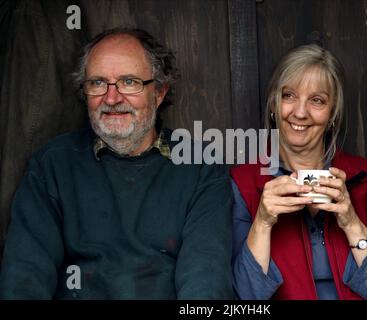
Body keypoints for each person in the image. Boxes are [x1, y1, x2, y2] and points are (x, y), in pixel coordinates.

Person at [0, 28, 233, 299]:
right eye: (98, 83)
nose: (111, 99)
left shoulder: (201, 167)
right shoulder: (52, 165)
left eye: (129, 82)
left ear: (158, 92)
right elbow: (25, 278)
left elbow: (206, 280)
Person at [230, 44, 367, 299]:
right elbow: (243, 298)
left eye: (317, 100)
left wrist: (351, 222)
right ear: (274, 103)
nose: (300, 112)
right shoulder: (243, 184)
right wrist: (262, 222)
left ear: (332, 113)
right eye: (289, 96)